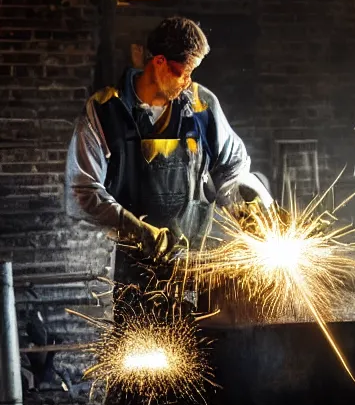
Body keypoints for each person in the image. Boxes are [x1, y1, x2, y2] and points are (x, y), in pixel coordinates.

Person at [65, 16, 273, 288]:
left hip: (198, 271)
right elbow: (83, 190)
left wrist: (248, 208)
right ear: (159, 62)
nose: (188, 82)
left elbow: (230, 169)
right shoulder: (105, 110)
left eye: (192, 73)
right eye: (183, 72)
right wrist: (139, 231)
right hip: (136, 279)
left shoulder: (201, 105)